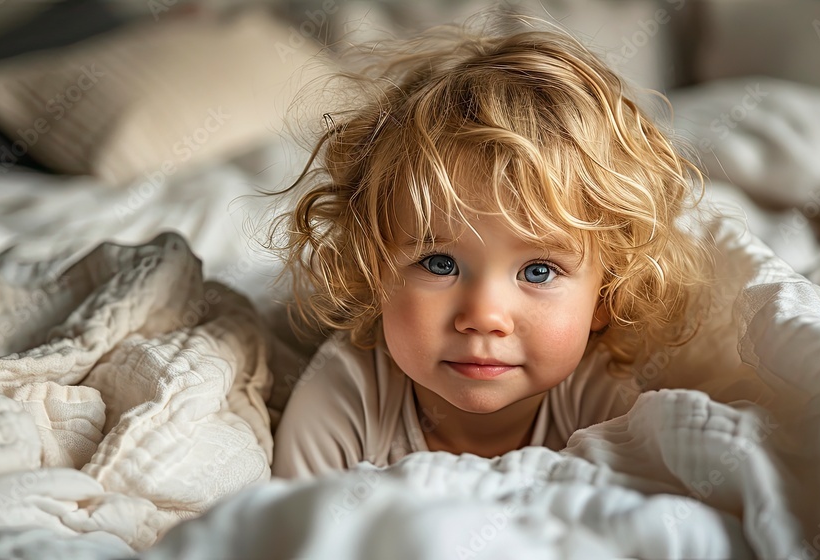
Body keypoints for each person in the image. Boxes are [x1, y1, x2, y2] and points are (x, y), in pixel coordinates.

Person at [268, 14, 711, 479]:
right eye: (440, 263)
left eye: (538, 271)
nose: (483, 316)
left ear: (605, 296)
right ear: (373, 271)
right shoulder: (346, 396)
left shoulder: (601, 399)